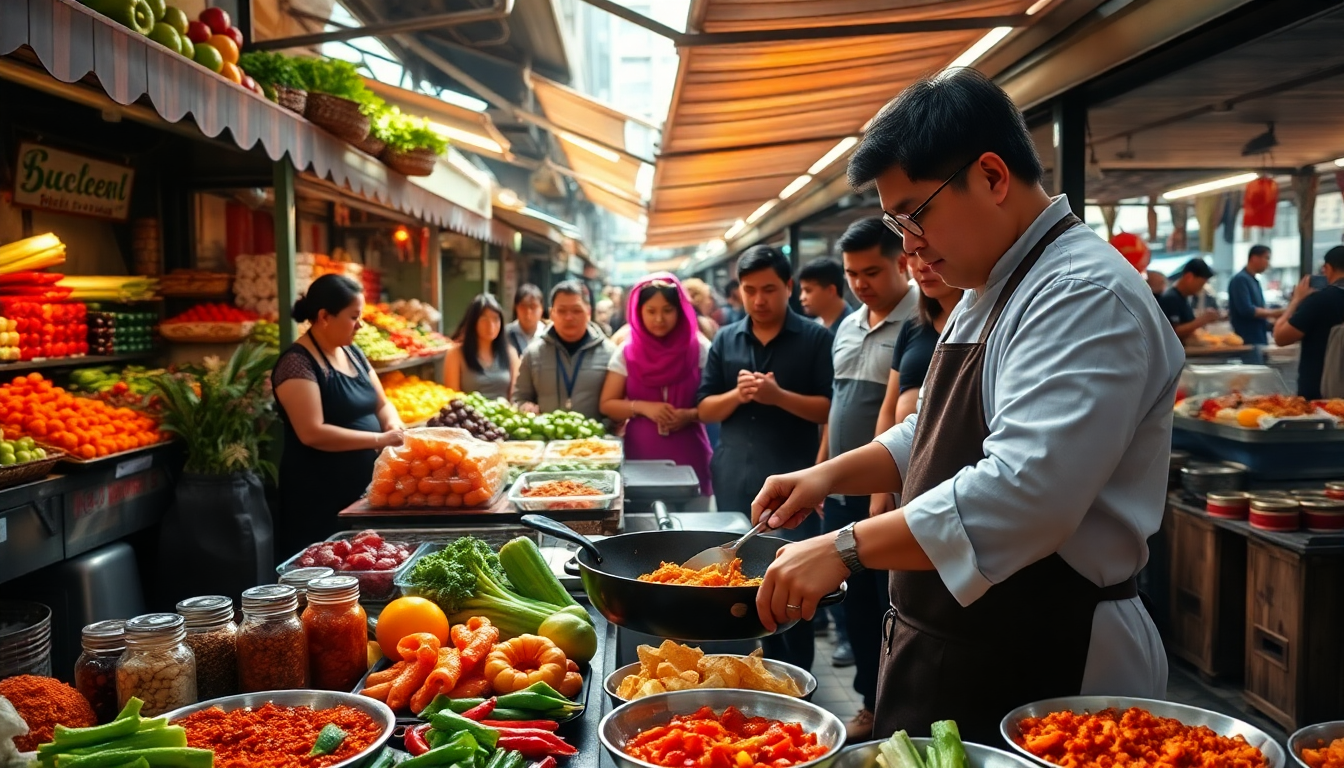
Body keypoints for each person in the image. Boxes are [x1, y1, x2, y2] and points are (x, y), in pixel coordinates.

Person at [748, 68, 1183, 743]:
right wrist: (830, 474)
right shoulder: (989, 288)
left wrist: (846, 547)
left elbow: (1026, 491)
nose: (910, 245)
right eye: (899, 223)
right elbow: (935, 431)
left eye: (916, 214)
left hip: (1052, 657)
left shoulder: (1081, 293)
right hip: (964, 640)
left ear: (992, 175)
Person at [698, 245, 834, 671]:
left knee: (796, 577)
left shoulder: (815, 338)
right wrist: (737, 396)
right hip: (734, 472)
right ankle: (744, 668)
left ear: (789, 287)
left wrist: (778, 397)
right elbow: (704, 409)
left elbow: (829, 408)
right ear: (739, 290)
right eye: (750, 290)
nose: (759, 300)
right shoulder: (726, 338)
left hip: (794, 482)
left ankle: (796, 674)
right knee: (734, 578)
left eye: (770, 289)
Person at [815, 216, 918, 740]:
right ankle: (866, 703)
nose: (861, 283)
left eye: (871, 271)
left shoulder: (920, 321)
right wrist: (820, 472)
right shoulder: (848, 325)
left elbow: (898, 424)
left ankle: (892, 706)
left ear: (902, 262)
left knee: (889, 605)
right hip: (841, 490)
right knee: (855, 604)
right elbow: (839, 405)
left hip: (892, 496)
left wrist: (882, 491)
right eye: (853, 273)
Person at [273, 274, 406, 554]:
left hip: (361, 495)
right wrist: (379, 439)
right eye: (353, 316)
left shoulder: (353, 352)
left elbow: (381, 403)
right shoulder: (297, 363)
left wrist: (395, 428)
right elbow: (312, 432)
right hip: (318, 499)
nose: (360, 325)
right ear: (324, 316)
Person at [600, 274, 713, 495]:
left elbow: (720, 401)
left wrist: (689, 415)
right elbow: (607, 404)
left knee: (693, 524)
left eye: (667, 310)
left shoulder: (699, 348)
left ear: (680, 310)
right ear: (638, 311)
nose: (659, 319)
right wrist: (644, 407)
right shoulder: (627, 352)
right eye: (651, 311)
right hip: (640, 455)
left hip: (690, 453)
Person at [513, 280, 616, 420]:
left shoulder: (610, 354)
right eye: (561, 311)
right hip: (546, 439)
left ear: (588, 312)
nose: (569, 317)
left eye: (576, 310)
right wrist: (524, 407)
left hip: (595, 440)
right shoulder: (533, 354)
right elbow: (519, 398)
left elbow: (618, 402)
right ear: (551, 313)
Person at [1274, 246, 1344, 400]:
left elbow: (1280, 337)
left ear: (1327, 268)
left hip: (1320, 396)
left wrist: (1296, 300)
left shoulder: (1321, 300)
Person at [445, 294, 519, 400]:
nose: (491, 326)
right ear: (473, 322)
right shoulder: (455, 354)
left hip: (504, 414)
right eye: (484, 319)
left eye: (495, 319)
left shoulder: (510, 353)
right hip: (470, 415)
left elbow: (515, 396)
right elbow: (453, 399)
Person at [1228, 245, 1283, 363]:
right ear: (1254, 258)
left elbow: (1259, 312)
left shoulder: (1254, 281)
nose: (1268, 263)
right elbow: (1247, 310)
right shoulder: (1240, 280)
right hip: (1248, 340)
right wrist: (1276, 313)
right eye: (1266, 258)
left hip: (1259, 338)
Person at [1158, 259, 1219, 341]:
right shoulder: (1171, 299)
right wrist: (1203, 320)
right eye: (1201, 284)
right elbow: (1173, 331)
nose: (1201, 288)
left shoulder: (1184, 298)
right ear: (1189, 277)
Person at [799, 258, 853, 332]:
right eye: (801, 291)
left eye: (808, 291)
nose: (802, 297)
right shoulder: (813, 328)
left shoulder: (852, 328)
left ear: (831, 290)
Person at [506, 284, 546, 356]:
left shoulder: (549, 335)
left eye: (533, 306)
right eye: (523, 306)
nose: (528, 312)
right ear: (516, 308)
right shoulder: (505, 335)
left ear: (541, 309)